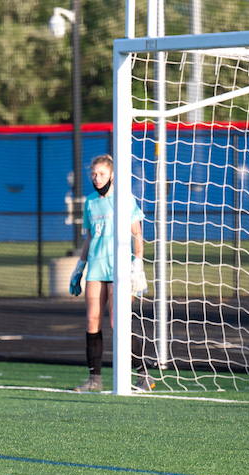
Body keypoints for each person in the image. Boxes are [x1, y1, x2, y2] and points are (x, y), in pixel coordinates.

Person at [69, 154, 154, 392]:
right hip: (96, 268)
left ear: (112, 175)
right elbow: (90, 236)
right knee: (92, 320)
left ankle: (142, 373)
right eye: (94, 174)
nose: (97, 178)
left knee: (118, 322)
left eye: (102, 174)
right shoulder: (90, 202)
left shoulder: (124, 199)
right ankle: (94, 379)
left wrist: (138, 263)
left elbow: (137, 232)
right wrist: (79, 267)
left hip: (119, 268)